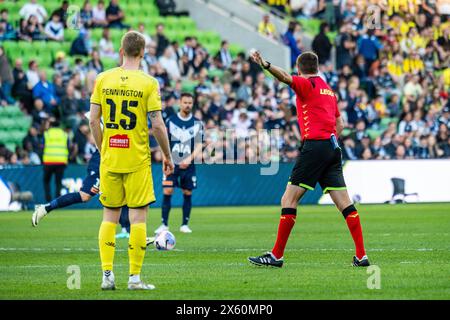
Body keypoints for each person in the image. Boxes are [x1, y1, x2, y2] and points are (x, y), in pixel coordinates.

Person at [248, 51, 370, 268]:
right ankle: (361, 256)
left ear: (299, 67)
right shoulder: (328, 89)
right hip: (332, 148)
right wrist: (327, 141)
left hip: (314, 147)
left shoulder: (307, 84)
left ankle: (276, 255)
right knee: (344, 203)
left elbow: (284, 77)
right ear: (317, 66)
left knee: (288, 200)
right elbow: (339, 125)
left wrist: (265, 64)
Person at [89, 31, 174, 290]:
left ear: (120, 50)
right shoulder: (148, 83)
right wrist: (168, 156)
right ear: (143, 53)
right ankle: (134, 278)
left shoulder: (103, 78)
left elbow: (93, 119)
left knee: (109, 217)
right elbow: (157, 124)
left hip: (110, 158)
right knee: (138, 219)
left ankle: (107, 276)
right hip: (137, 159)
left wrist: (103, 149)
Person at [155, 93, 203, 234]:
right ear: (180, 103)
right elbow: (164, 142)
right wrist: (166, 158)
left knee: (187, 192)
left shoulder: (197, 123)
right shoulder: (170, 121)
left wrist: (189, 159)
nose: (187, 105)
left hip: (188, 165)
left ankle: (184, 224)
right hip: (172, 164)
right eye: (185, 102)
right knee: (167, 190)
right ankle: (164, 224)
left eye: (190, 103)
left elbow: (200, 144)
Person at [42, 119, 69, 203]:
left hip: (48, 161)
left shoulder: (47, 134)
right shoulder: (64, 134)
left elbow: (41, 146)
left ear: (50, 125)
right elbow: (68, 146)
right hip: (61, 162)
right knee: (58, 182)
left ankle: (48, 200)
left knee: (46, 181)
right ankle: (57, 202)